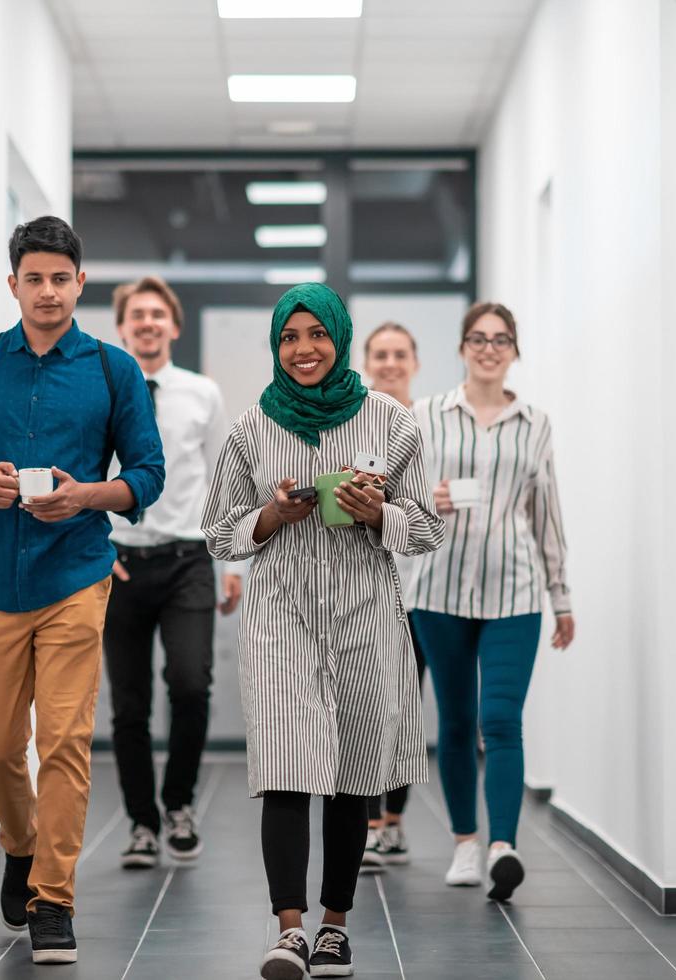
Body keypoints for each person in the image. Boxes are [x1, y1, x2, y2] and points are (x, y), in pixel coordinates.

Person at [0, 217, 164, 965]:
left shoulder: (113, 371)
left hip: (75, 577)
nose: (48, 291)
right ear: (13, 284)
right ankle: (21, 848)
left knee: (62, 741)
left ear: (80, 283)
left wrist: (86, 496)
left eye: (61, 278)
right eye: (34, 278)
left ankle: (53, 898)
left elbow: (146, 475)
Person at [202, 284, 444, 980]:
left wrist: (376, 515)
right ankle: (290, 931)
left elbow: (426, 529)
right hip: (281, 613)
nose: (304, 349)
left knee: (351, 772)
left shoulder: (392, 422)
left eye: (316, 334)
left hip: (367, 612)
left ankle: (335, 926)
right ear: (276, 346)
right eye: (289, 337)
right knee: (285, 763)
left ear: (339, 337)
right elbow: (218, 533)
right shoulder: (252, 427)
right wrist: (271, 518)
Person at [405, 301, 576, 905]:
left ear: (514, 350)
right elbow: (395, 498)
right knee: (454, 723)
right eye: (478, 338)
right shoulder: (425, 416)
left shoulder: (535, 424)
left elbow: (546, 514)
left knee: (500, 721)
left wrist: (562, 598)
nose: (488, 348)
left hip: (515, 591)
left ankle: (504, 846)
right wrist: (430, 497)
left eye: (501, 339)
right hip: (439, 588)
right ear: (461, 347)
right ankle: (465, 843)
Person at [103, 275, 244, 868]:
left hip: (188, 559)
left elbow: (223, 477)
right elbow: (80, 471)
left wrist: (233, 561)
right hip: (119, 563)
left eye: (158, 314)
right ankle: (141, 823)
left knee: (190, 684)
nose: (148, 323)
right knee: (129, 704)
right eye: (138, 314)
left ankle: (178, 804)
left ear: (174, 326)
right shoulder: (101, 387)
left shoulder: (201, 393)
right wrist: (95, 547)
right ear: (122, 326)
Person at [357, 322, 428, 872]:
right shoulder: (356, 425)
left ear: (415, 362)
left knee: (406, 703)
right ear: (366, 361)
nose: (389, 363)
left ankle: (394, 821)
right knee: (367, 703)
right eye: (379, 355)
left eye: (399, 354)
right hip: (365, 586)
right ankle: (370, 820)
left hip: (422, 585)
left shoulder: (429, 425)